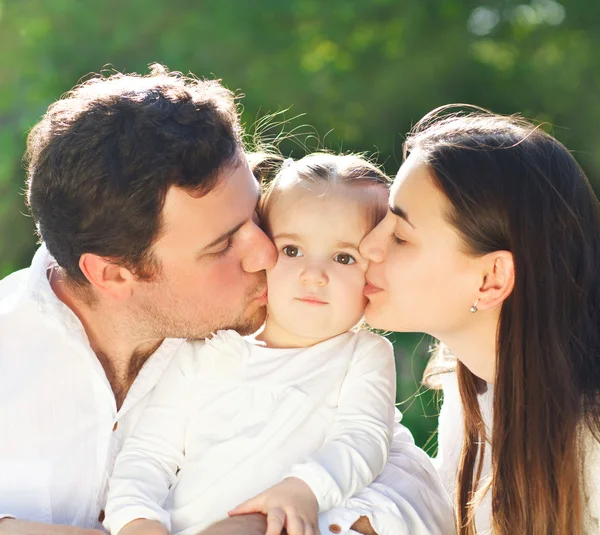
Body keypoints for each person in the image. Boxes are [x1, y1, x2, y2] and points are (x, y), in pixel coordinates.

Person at [0, 66, 454, 535]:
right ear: (115, 274)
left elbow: (407, 484)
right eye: (221, 245)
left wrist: (264, 525)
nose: (266, 253)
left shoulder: (293, 342)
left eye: (255, 216)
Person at [103, 153, 395, 535]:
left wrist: (306, 488)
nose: (313, 275)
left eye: (344, 257)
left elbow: (364, 438)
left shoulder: (363, 355)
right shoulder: (202, 353)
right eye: (292, 250)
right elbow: (148, 455)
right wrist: (137, 520)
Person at [359, 106, 600, 534]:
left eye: (399, 235)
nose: (368, 247)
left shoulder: (592, 446)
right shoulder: (468, 392)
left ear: (491, 279)